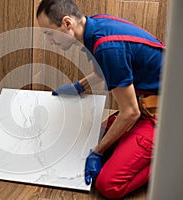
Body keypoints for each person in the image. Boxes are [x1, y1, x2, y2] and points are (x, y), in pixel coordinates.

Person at [36, 0, 164, 199]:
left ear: (67, 23)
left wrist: (97, 152)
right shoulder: (96, 26)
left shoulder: (107, 46)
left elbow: (130, 112)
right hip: (149, 104)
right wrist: (79, 87)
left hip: (167, 116)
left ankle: (170, 157)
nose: (49, 41)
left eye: (49, 33)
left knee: (108, 184)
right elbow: (107, 69)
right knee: (96, 135)